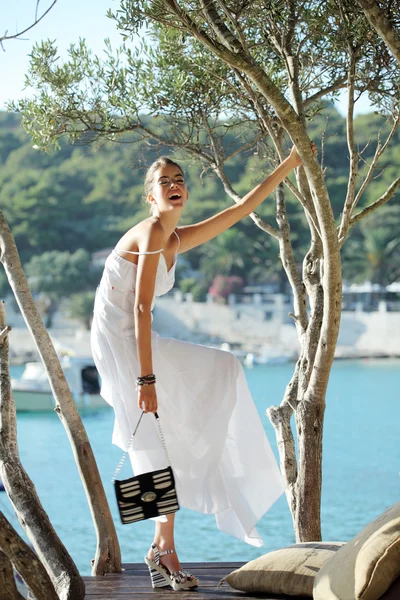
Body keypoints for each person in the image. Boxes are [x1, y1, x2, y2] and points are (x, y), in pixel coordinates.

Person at [91, 144, 314, 591]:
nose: (174, 186)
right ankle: (165, 552)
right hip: (120, 341)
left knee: (221, 370)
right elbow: (138, 307)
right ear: (150, 197)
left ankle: (160, 548)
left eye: (179, 180)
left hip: (136, 338)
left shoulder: (175, 237)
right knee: (152, 437)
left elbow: (241, 208)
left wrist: (288, 164)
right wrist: (146, 379)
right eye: (164, 182)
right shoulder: (154, 230)